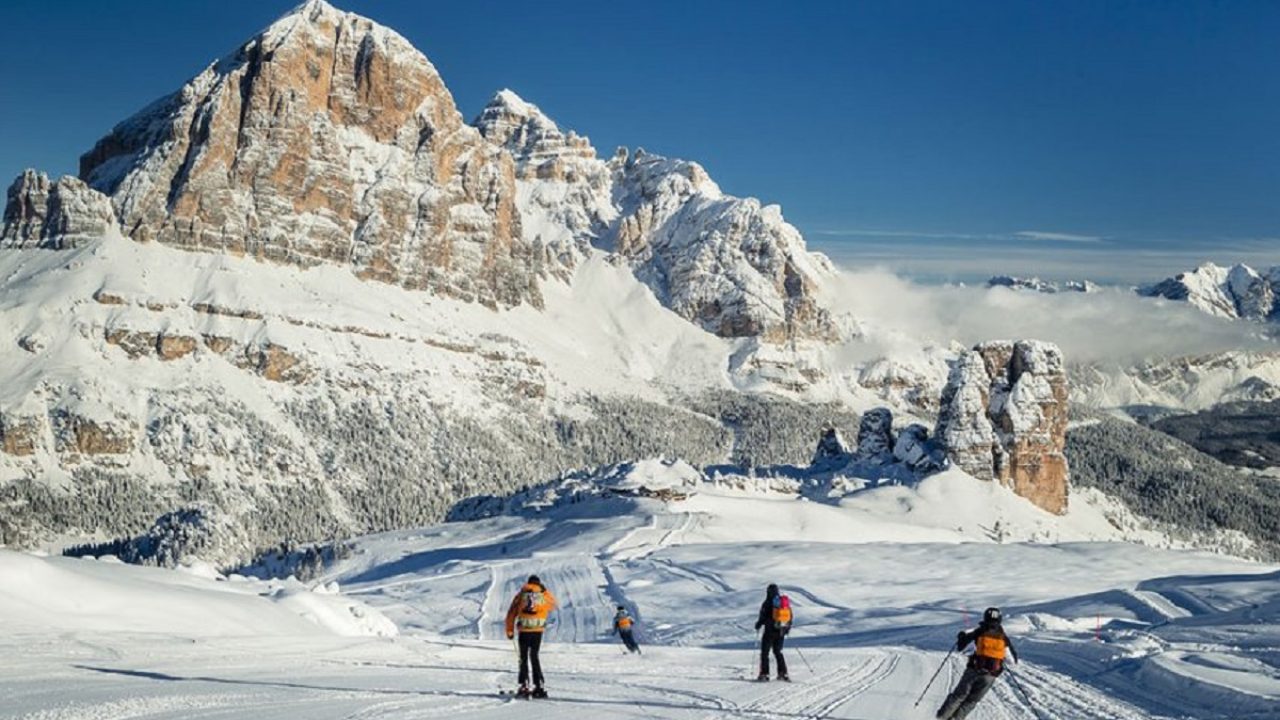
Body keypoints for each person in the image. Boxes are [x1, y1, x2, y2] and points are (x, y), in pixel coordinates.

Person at [937, 607, 1020, 720]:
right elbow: (1012, 661)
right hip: (990, 676)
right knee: (972, 701)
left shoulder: (979, 631)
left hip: (974, 670)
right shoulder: (1004, 638)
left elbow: (961, 647)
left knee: (959, 696)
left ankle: (942, 717)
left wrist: (961, 636)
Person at [505, 574, 558, 698]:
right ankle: (539, 685)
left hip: (524, 630)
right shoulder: (543, 595)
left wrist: (510, 631)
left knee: (523, 657)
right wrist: (545, 591)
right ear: (539, 584)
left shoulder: (521, 595)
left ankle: (524, 684)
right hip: (537, 631)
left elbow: (511, 613)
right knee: (534, 656)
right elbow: (553, 604)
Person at [754, 583, 792, 681]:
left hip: (769, 631)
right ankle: (783, 673)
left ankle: (764, 674)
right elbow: (790, 617)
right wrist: (787, 628)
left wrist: (758, 624)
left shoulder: (767, 603)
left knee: (764, 653)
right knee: (778, 652)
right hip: (781, 631)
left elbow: (763, 616)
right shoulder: (783, 603)